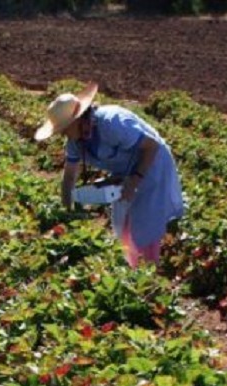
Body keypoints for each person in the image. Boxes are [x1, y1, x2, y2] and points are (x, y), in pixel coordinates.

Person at [35, 83, 184, 267]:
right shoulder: (75, 142)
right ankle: (132, 267)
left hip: (153, 165)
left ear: (77, 120)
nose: (63, 134)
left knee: (145, 223)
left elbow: (151, 146)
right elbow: (69, 177)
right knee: (122, 223)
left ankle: (149, 269)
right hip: (127, 173)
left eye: (64, 129)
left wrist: (134, 181)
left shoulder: (112, 122)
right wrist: (68, 209)